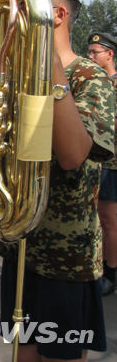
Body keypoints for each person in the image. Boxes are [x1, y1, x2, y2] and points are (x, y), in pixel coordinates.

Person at [0, 0, 115, 362]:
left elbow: (74, 155)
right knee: (22, 350)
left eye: (22, 11)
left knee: (59, 357)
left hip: (65, 255)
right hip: (21, 241)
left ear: (54, 15)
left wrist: (49, 69)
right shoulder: (15, 76)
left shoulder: (89, 76)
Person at [88, 30, 117, 297]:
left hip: (111, 163)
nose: (91, 56)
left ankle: (111, 272)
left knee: (108, 220)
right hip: (100, 161)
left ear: (110, 54)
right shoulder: (97, 82)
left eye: (95, 52)